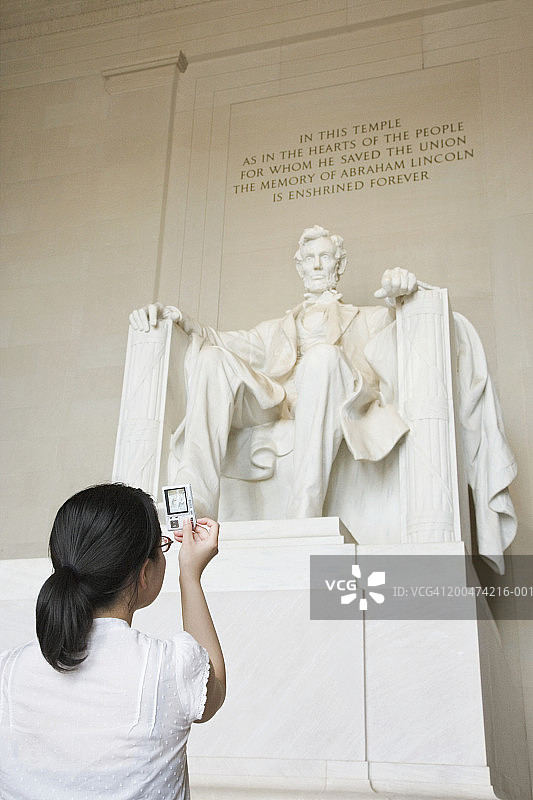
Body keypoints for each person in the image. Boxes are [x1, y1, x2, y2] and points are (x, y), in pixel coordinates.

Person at [129, 224, 417, 519]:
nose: (316, 264)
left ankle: (303, 511)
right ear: (299, 266)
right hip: (278, 405)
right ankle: (194, 503)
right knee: (211, 358)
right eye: (309, 258)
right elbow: (218, 339)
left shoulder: (368, 318)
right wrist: (177, 319)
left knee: (322, 357)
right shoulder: (274, 330)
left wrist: (403, 294)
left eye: (325, 257)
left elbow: (402, 329)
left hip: (330, 395)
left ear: (339, 264)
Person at [0, 483, 225, 800]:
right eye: (161, 546)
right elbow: (213, 681)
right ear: (144, 573)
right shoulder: (169, 668)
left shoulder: (6, 672)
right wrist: (190, 574)